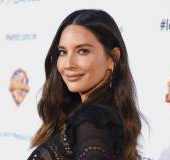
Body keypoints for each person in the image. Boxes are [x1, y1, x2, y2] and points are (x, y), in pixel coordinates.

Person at [28, 9, 142, 160]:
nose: (68, 64)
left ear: (113, 58)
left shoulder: (92, 120)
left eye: (82, 51)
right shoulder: (93, 115)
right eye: (63, 52)